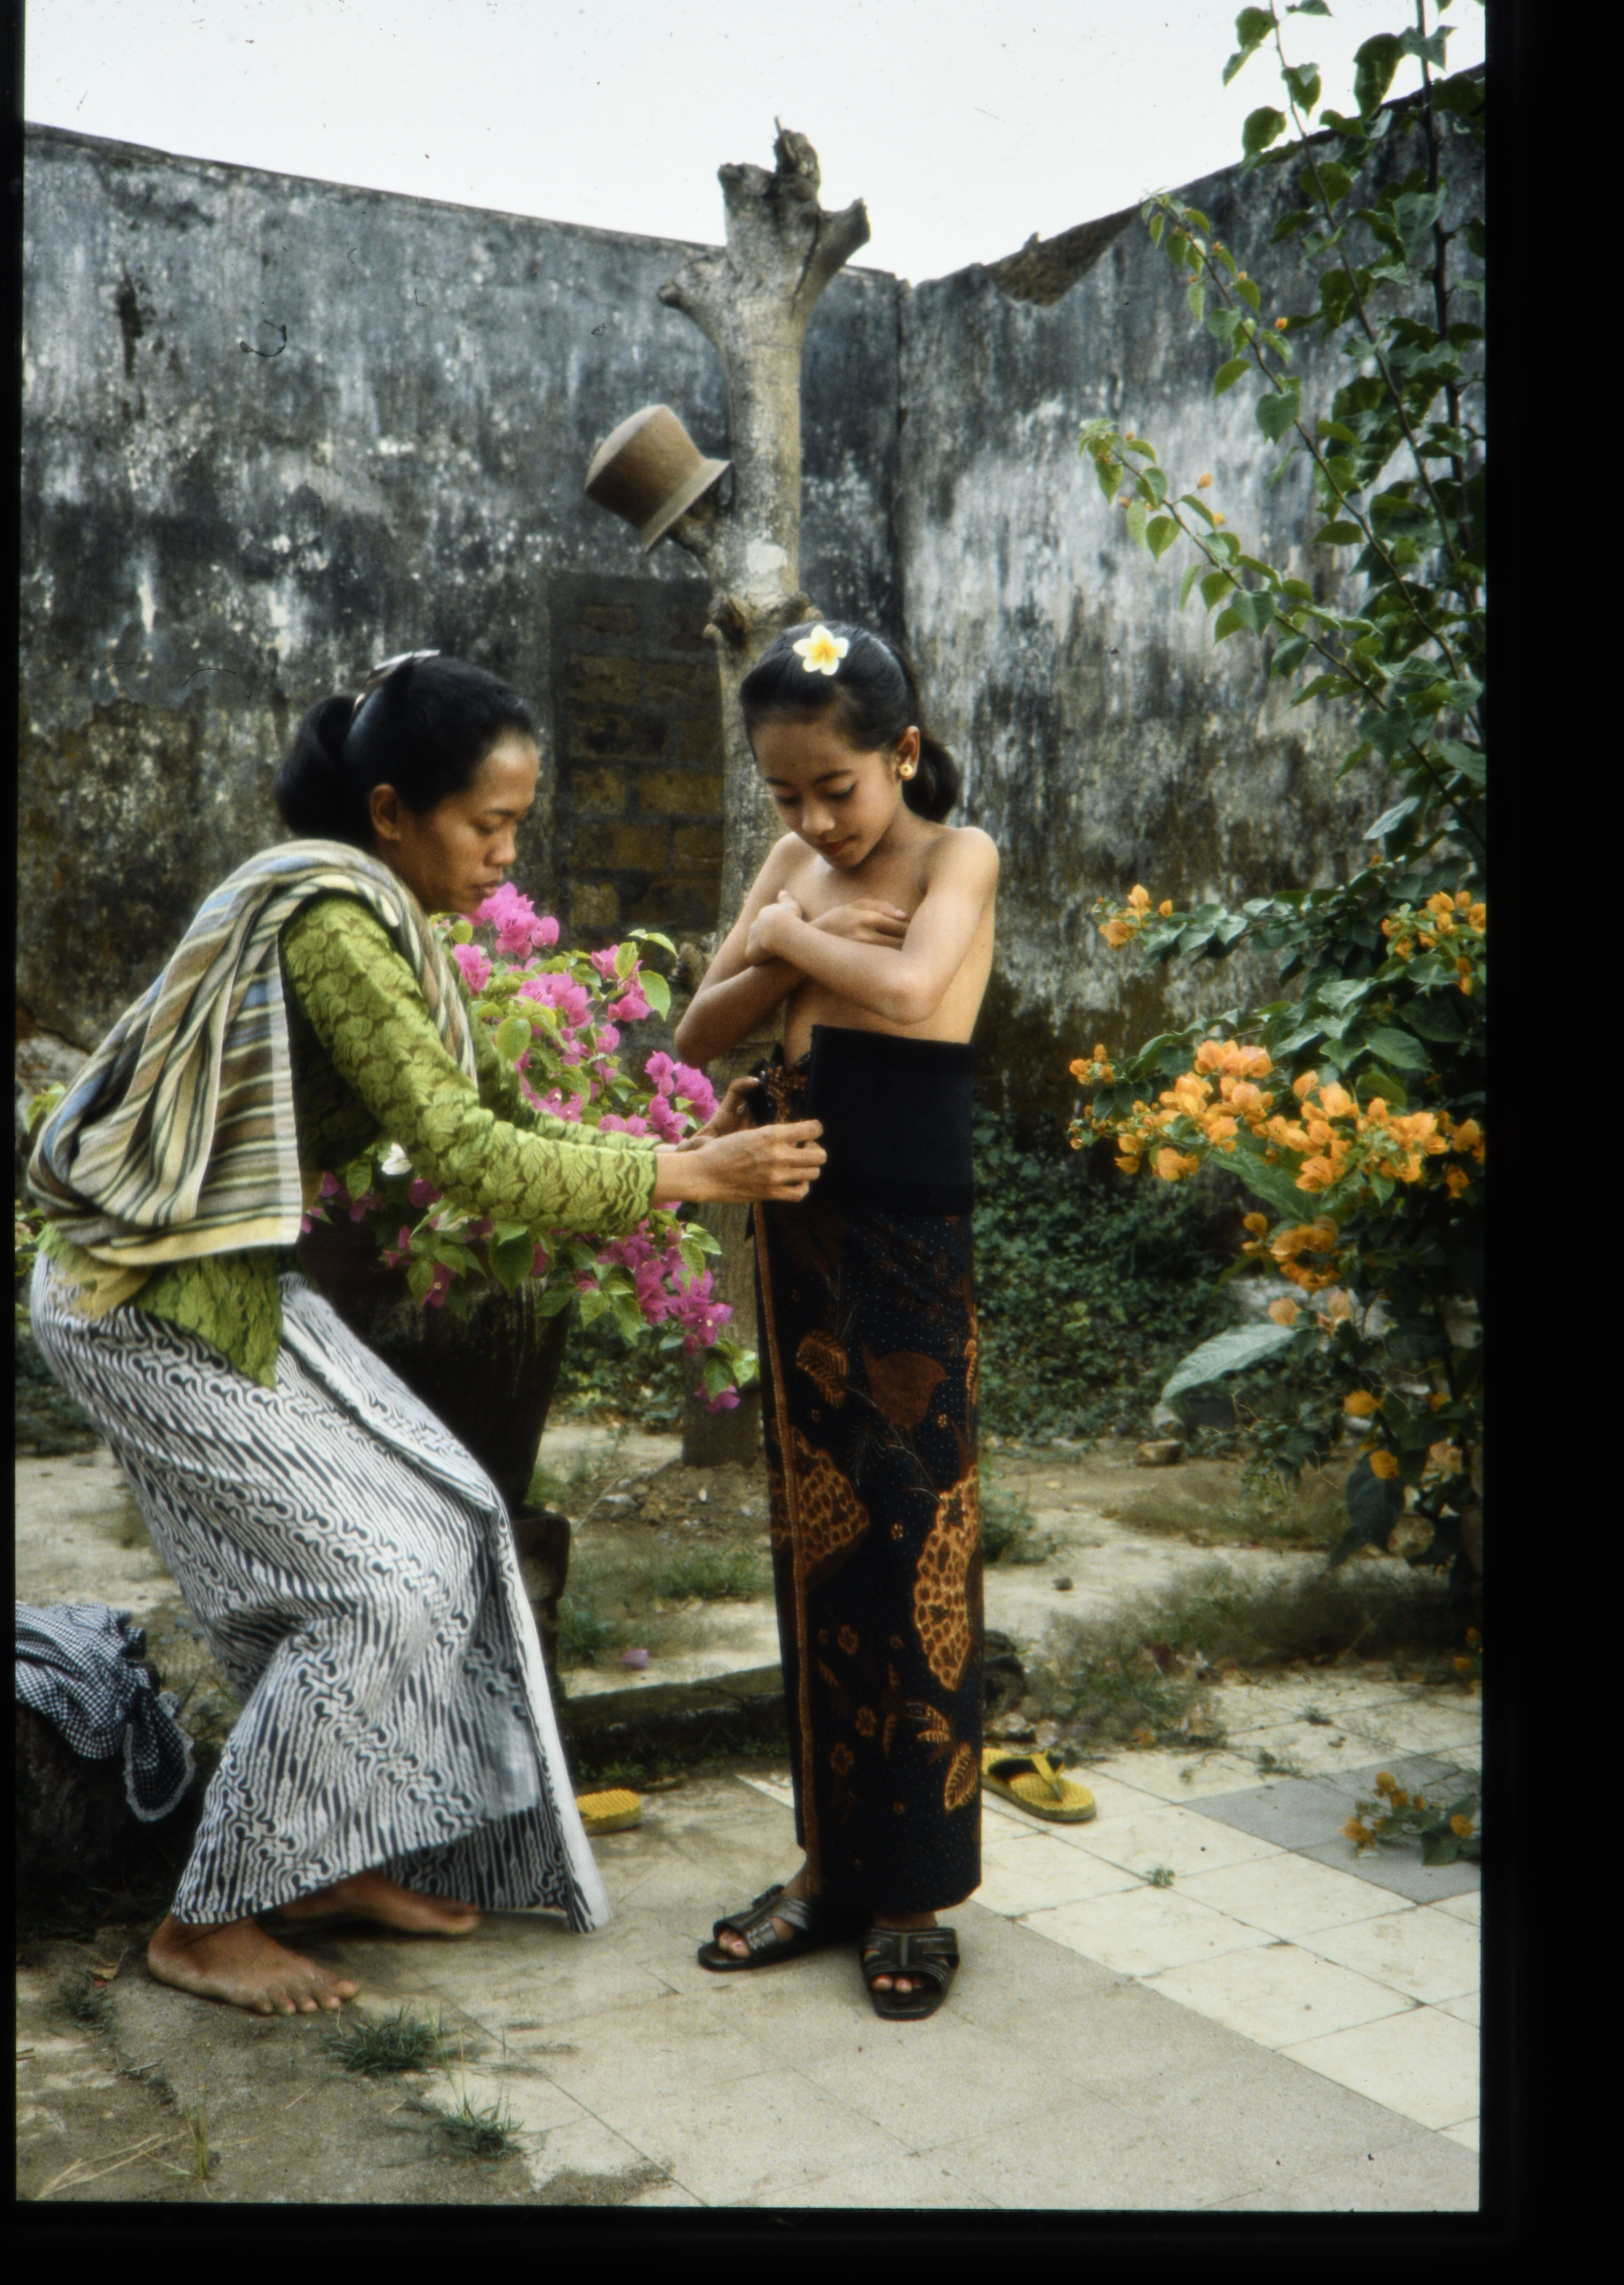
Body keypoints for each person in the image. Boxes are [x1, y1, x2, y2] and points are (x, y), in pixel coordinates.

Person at [27, 651, 824, 2020]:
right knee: (378, 1590)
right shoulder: (334, 920)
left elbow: (490, 1121)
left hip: (223, 1286)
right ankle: (207, 1923)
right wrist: (689, 1178)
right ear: (392, 812)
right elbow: (464, 1154)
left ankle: (322, 1862)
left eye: (517, 824)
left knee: (451, 1530)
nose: (507, 855)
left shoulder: (379, 917)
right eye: (488, 825)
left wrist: (678, 1149)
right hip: (138, 1301)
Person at [673, 621, 998, 2019]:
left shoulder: (956, 856)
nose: (812, 822)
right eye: (786, 796)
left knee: (917, 1543)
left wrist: (789, 942)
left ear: (903, 754)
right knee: (817, 1552)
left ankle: (910, 1893)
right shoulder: (796, 873)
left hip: (908, 1245)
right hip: (799, 1224)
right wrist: (784, 940)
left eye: (837, 789)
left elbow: (914, 990)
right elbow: (698, 1031)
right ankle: (828, 1868)